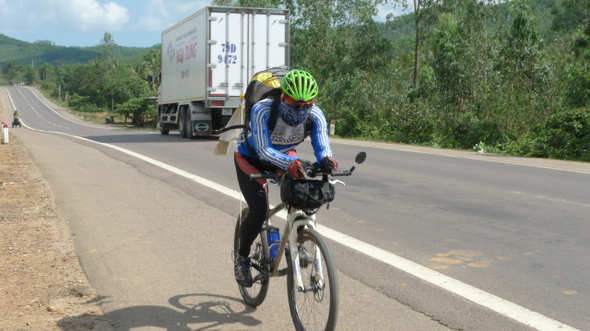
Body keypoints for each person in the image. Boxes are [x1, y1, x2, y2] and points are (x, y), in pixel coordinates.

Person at [233, 69, 338, 287]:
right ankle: (241, 258)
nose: (301, 110)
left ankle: (297, 240)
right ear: (282, 96)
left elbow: (322, 145)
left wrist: (327, 160)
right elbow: (263, 151)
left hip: (285, 154)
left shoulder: (316, 114)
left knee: (301, 194)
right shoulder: (263, 110)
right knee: (259, 210)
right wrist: (291, 163)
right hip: (250, 157)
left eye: (306, 105)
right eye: (294, 104)